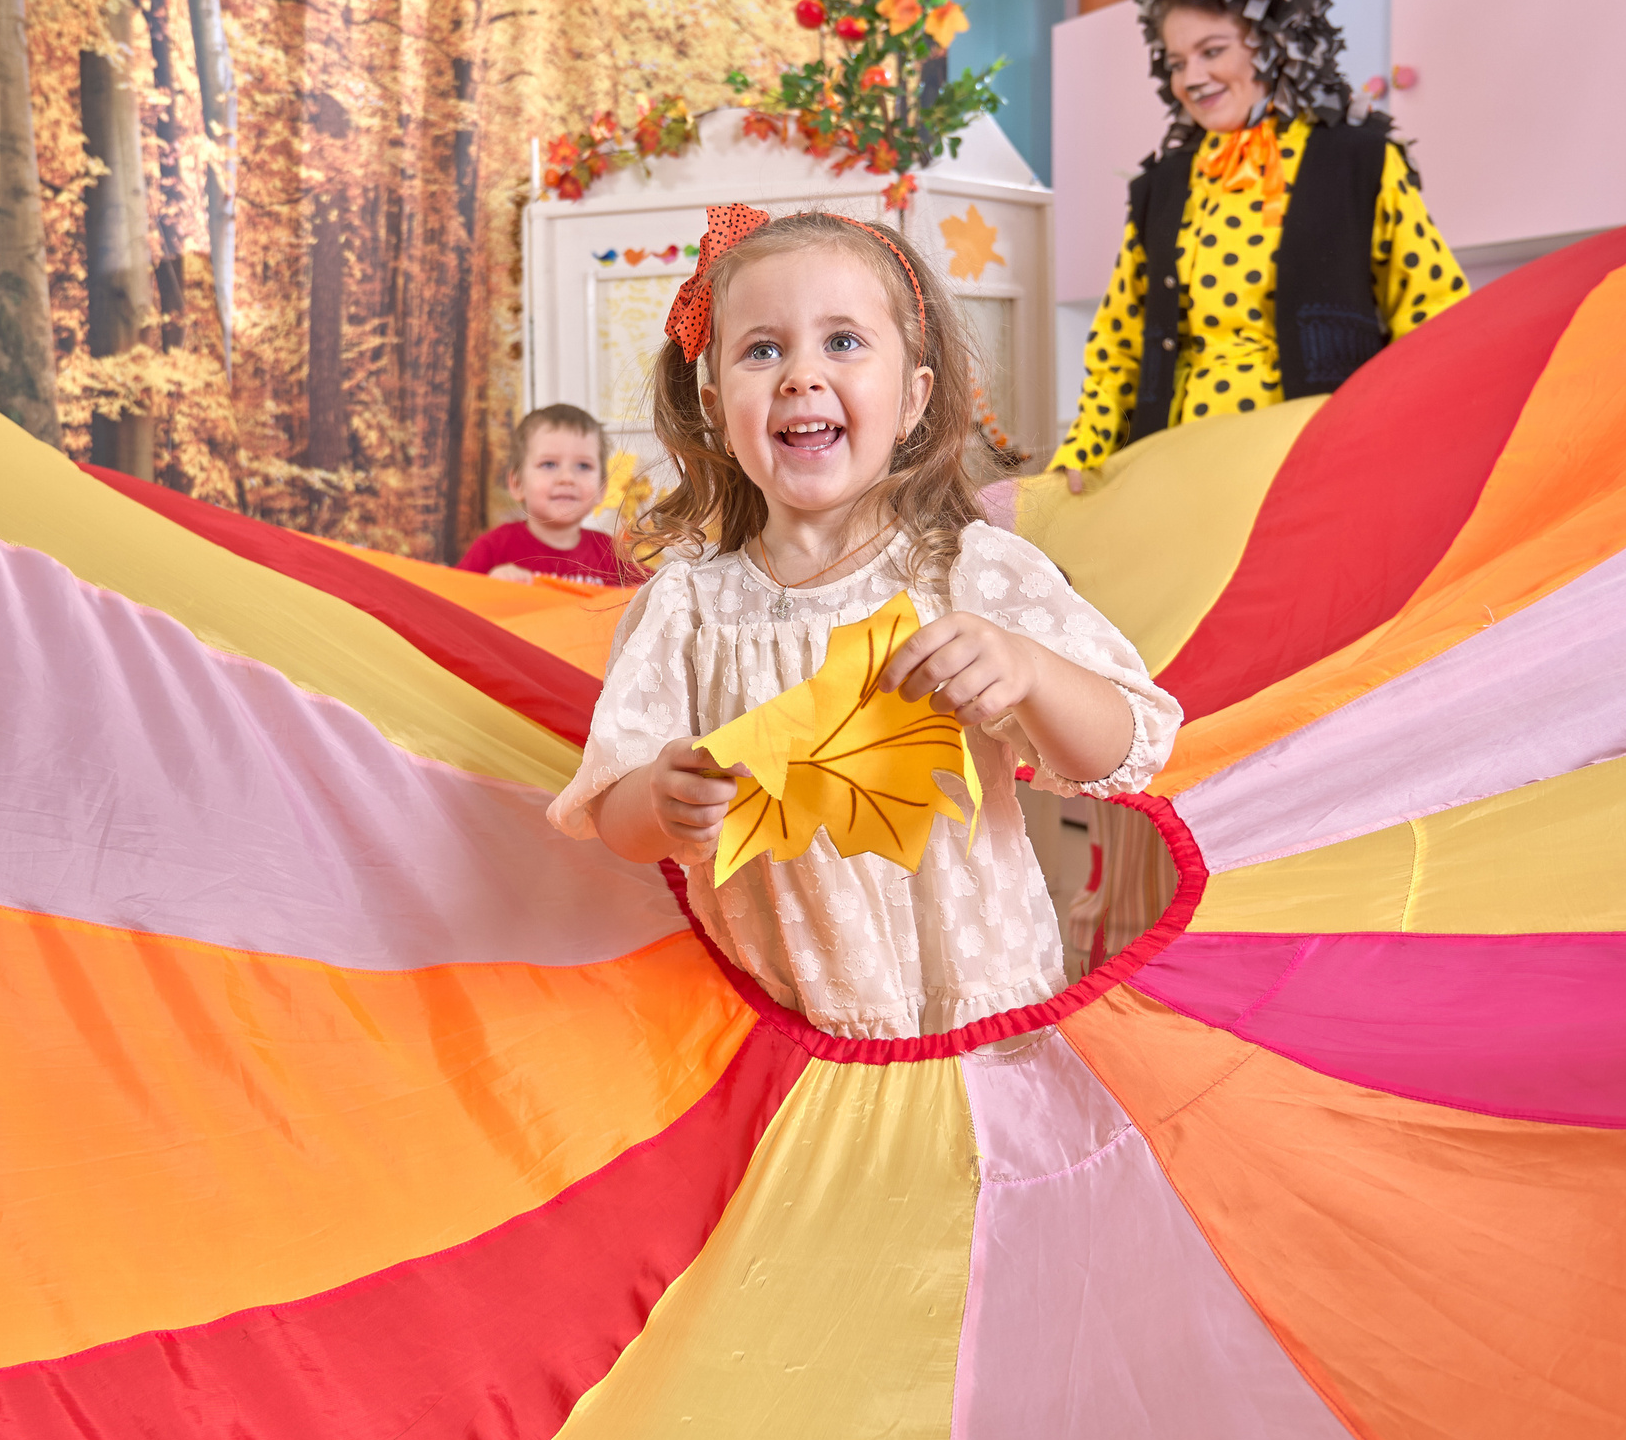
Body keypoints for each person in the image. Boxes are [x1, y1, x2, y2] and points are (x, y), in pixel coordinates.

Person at [547, 206, 1182, 1040]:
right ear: (715, 407)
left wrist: (1028, 669)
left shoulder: (971, 574)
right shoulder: (687, 610)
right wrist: (662, 800)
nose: (801, 375)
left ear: (914, 397)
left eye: (842, 342)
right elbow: (616, 816)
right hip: (785, 1026)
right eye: (762, 349)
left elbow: (1126, 751)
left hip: (980, 1004)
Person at [1051, 0, 1470, 483]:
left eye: (1212, 50)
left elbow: (1433, 314)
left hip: (1316, 466)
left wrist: (1416, 442)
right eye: (1176, 62)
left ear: (1274, 43)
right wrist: (1082, 452)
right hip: (1179, 470)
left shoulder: (1360, 161)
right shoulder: (1162, 187)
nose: (1190, 77)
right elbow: (1120, 344)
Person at [457, 403, 647, 586]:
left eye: (583, 466)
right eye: (549, 464)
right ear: (517, 484)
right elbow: (450, 603)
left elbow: (662, 592)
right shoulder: (493, 548)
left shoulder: (612, 555)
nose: (567, 478)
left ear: (601, 488)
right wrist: (487, 587)